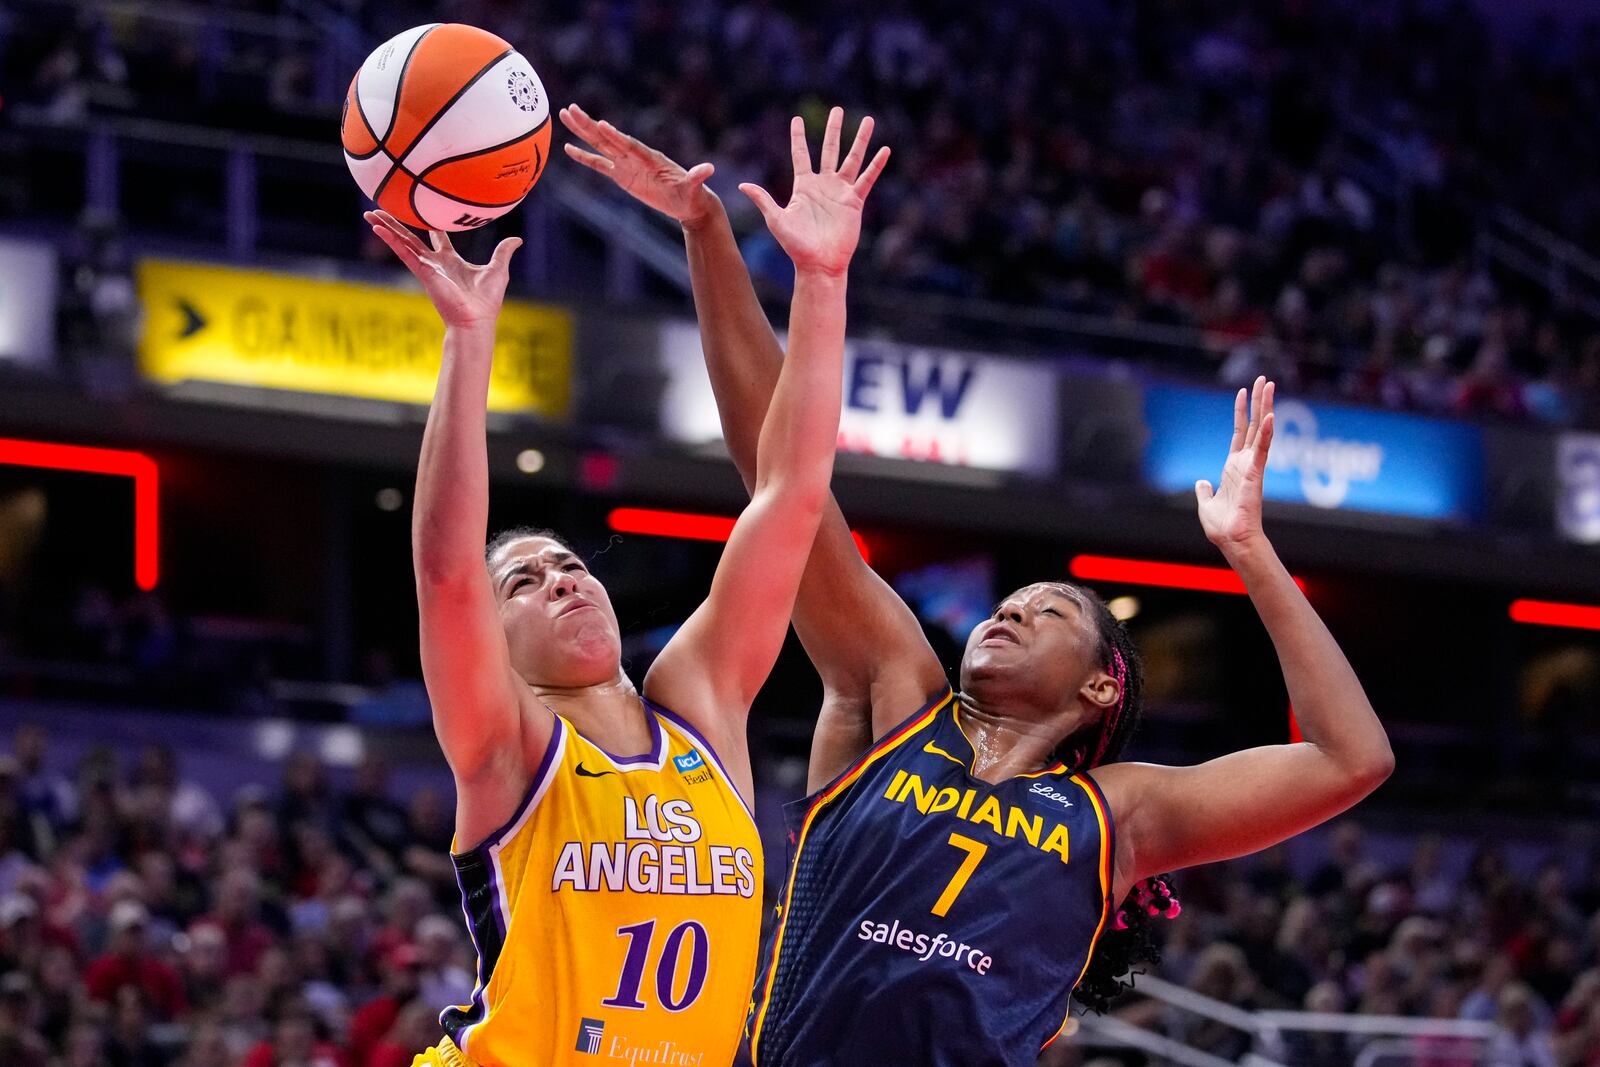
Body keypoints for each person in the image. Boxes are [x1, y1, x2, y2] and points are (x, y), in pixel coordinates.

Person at [560, 109, 1394, 1066]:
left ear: (1101, 686)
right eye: (1014, 598)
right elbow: (782, 480)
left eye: (1053, 611)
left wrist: (1249, 549)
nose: (1013, 608)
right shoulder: (895, 696)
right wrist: (708, 235)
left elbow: (1350, 757)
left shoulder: (1115, 815)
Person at [366, 103, 887, 1067]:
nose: (563, 579)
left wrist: (821, 281)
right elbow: (445, 570)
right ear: (495, 635)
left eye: (569, 564)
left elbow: (791, 492)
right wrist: (467, 339)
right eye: (523, 579)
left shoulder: (699, 705)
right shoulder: (508, 742)